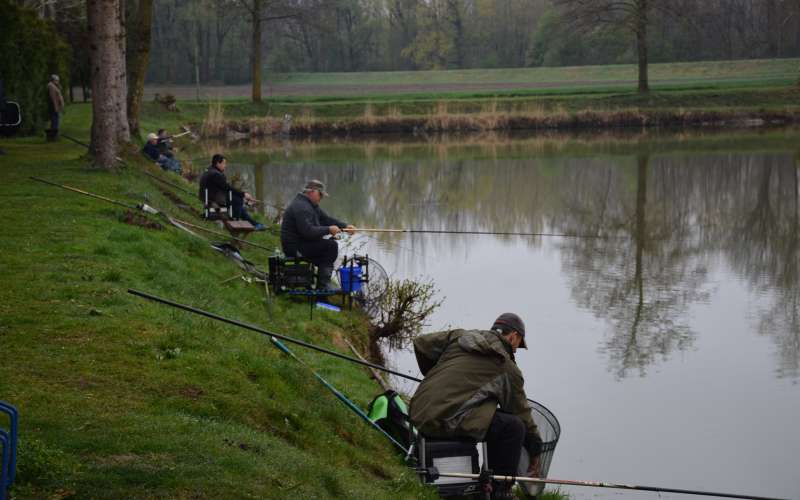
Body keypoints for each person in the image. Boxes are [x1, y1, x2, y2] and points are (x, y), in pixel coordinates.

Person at [410, 313, 543, 500]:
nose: (516, 350)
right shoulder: (506, 367)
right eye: (517, 344)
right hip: (444, 420)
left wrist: (437, 372)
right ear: (513, 336)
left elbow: (421, 343)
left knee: (487, 402)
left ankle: (485, 482)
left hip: (419, 411)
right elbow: (521, 412)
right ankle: (500, 490)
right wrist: (536, 447)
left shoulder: (461, 336)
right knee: (513, 427)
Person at [280, 180, 355, 289]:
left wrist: (345, 227)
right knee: (331, 246)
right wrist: (328, 230)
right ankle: (323, 286)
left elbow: (326, 219)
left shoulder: (310, 205)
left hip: (302, 243)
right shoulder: (302, 207)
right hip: (294, 247)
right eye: (320, 194)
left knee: (329, 245)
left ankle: (321, 286)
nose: (321, 198)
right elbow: (308, 231)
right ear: (312, 192)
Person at [198, 154, 264, 231]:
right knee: (238, 200)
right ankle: (234, 221)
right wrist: (243, 194)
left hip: (207, 197)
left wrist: (242, 195)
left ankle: (254, 224)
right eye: (224, 163)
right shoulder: (216, 175)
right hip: (213, 200)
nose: (225, 166)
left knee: (238, 200)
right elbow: (227, 188)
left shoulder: (209, 170)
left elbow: (225, 187)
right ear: (218, 163)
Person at [46, 74, 65, 140]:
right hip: (53, 107)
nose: (58, 82)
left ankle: (54, 135)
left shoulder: (54, 86)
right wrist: (56, 107)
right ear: (53, 80)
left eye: (58, 80)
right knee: (55, 121)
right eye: (57, 80)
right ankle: (53, 136)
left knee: (55, 121)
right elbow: (53, 98)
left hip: (55, 106)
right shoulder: (51, 86)